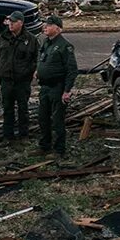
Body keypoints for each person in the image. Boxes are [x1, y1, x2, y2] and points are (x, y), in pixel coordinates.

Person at [0, 10, 38, 141]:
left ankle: (23, 136)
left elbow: (36, 59)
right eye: (9, 21)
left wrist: (28, 72)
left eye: (13, 22)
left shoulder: (31, 40)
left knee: (23, 109)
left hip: (22, 82)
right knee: (7, 110)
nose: (10, 24)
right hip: (6, 81)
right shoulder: (2, 38)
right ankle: (8, 136)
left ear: (20, 23)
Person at [35, 14, 79, 156]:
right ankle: (45, 145)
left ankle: (59, 149)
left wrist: (67, 91)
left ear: (58, 28)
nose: (45, 27)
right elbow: (42, 60)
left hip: (57, 88)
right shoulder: (46, 43)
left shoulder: (65, 46)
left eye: (49, 25)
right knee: (43, 118)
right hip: (45, 87)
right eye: (45, 25)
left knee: (57, 120)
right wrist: (38, 71)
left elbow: (72, 70)